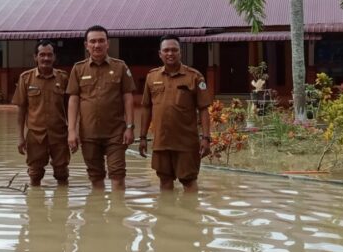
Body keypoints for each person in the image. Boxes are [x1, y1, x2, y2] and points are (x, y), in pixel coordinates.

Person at [138, 35, 212, 192]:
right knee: (164, 181)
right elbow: (146, 107)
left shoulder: (194, 76)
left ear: (180, 53)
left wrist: (206, 138)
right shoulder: (152, 77)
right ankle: (167, 215)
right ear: (160, 54)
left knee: (189, 182)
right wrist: (143, 137)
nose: (170, 54)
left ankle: (191, 215)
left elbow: (204, 109)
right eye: (166, 50)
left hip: (186, 142)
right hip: (161, 142)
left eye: (174, 50)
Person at [66, 25, 136, 191]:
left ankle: (117, 214)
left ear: (107, 44)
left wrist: (130, 127)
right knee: (95, 177)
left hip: (116, 133)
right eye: (93, 41)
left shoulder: (120, 67)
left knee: (118, 175)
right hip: (89, 133)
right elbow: (73, 100)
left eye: (101, 41)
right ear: (86, 45)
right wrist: (71, 131)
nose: (97, 45)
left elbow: (128, 98)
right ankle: (97, 214)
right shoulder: (78, 69)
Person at [12, 40, 70, 186]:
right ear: (35, 57)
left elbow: (71, 108)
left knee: (62, 173)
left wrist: (73, 132)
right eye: (42, 55)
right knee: (35, 174)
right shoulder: (26, 78)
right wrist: (20, 137)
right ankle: (35, 205)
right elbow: (21, 111)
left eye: (49, 55)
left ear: (54, 57)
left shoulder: (63, 78)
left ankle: (62, 206)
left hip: (59, 135)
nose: (46, 58)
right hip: (35, 136)